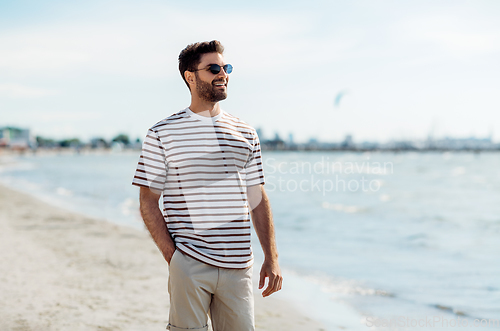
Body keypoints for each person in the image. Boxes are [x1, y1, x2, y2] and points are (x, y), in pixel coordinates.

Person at [132, 40, 282, 331]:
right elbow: (148, 201)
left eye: (226, 68)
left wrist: (271, 258)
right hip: (189, 262)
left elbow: (257, 197)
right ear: (190, 76)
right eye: (213, 68)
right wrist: (174, 257)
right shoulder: (162, 133)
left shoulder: (246, 132)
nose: (223, 74)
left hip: (239, 267)